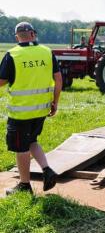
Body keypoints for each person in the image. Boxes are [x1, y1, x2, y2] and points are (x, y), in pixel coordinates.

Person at [0, 22, 62, 195]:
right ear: (33, 34)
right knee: (32, 140)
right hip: (41, 110)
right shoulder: (47, 52)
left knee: (21, 148)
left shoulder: (12, 54)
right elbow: (58, 79)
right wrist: (55, 102)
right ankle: (47, 170)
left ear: (16, 37)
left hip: (20, 113)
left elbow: (2, 81)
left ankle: (24, 186)